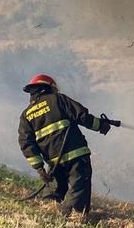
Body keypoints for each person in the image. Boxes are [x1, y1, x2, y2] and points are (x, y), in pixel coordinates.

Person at [17, 74, 112, 220]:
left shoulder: (26, 115)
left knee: (55, 188)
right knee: (79, 185)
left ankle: (48, 211)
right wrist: (101, 126)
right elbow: (82, 116)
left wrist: (39, 168)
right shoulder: (58, 99)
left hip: (53, 162)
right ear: (49, 88)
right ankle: (71, 216)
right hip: (76, 154)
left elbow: (26, 143)